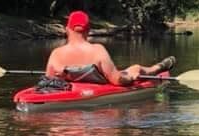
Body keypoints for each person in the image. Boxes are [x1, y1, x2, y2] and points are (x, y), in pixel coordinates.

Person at [45, 10, 175, 86]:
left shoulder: (56, 54)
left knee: (131, 69)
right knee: (136, 68)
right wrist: (131, 78)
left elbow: (48, 82)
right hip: (100, 86)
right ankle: (159, 67)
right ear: (88, 30)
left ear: (67, 29)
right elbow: (117, 80)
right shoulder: (97, 50)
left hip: (72, 90)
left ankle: (159, 67)